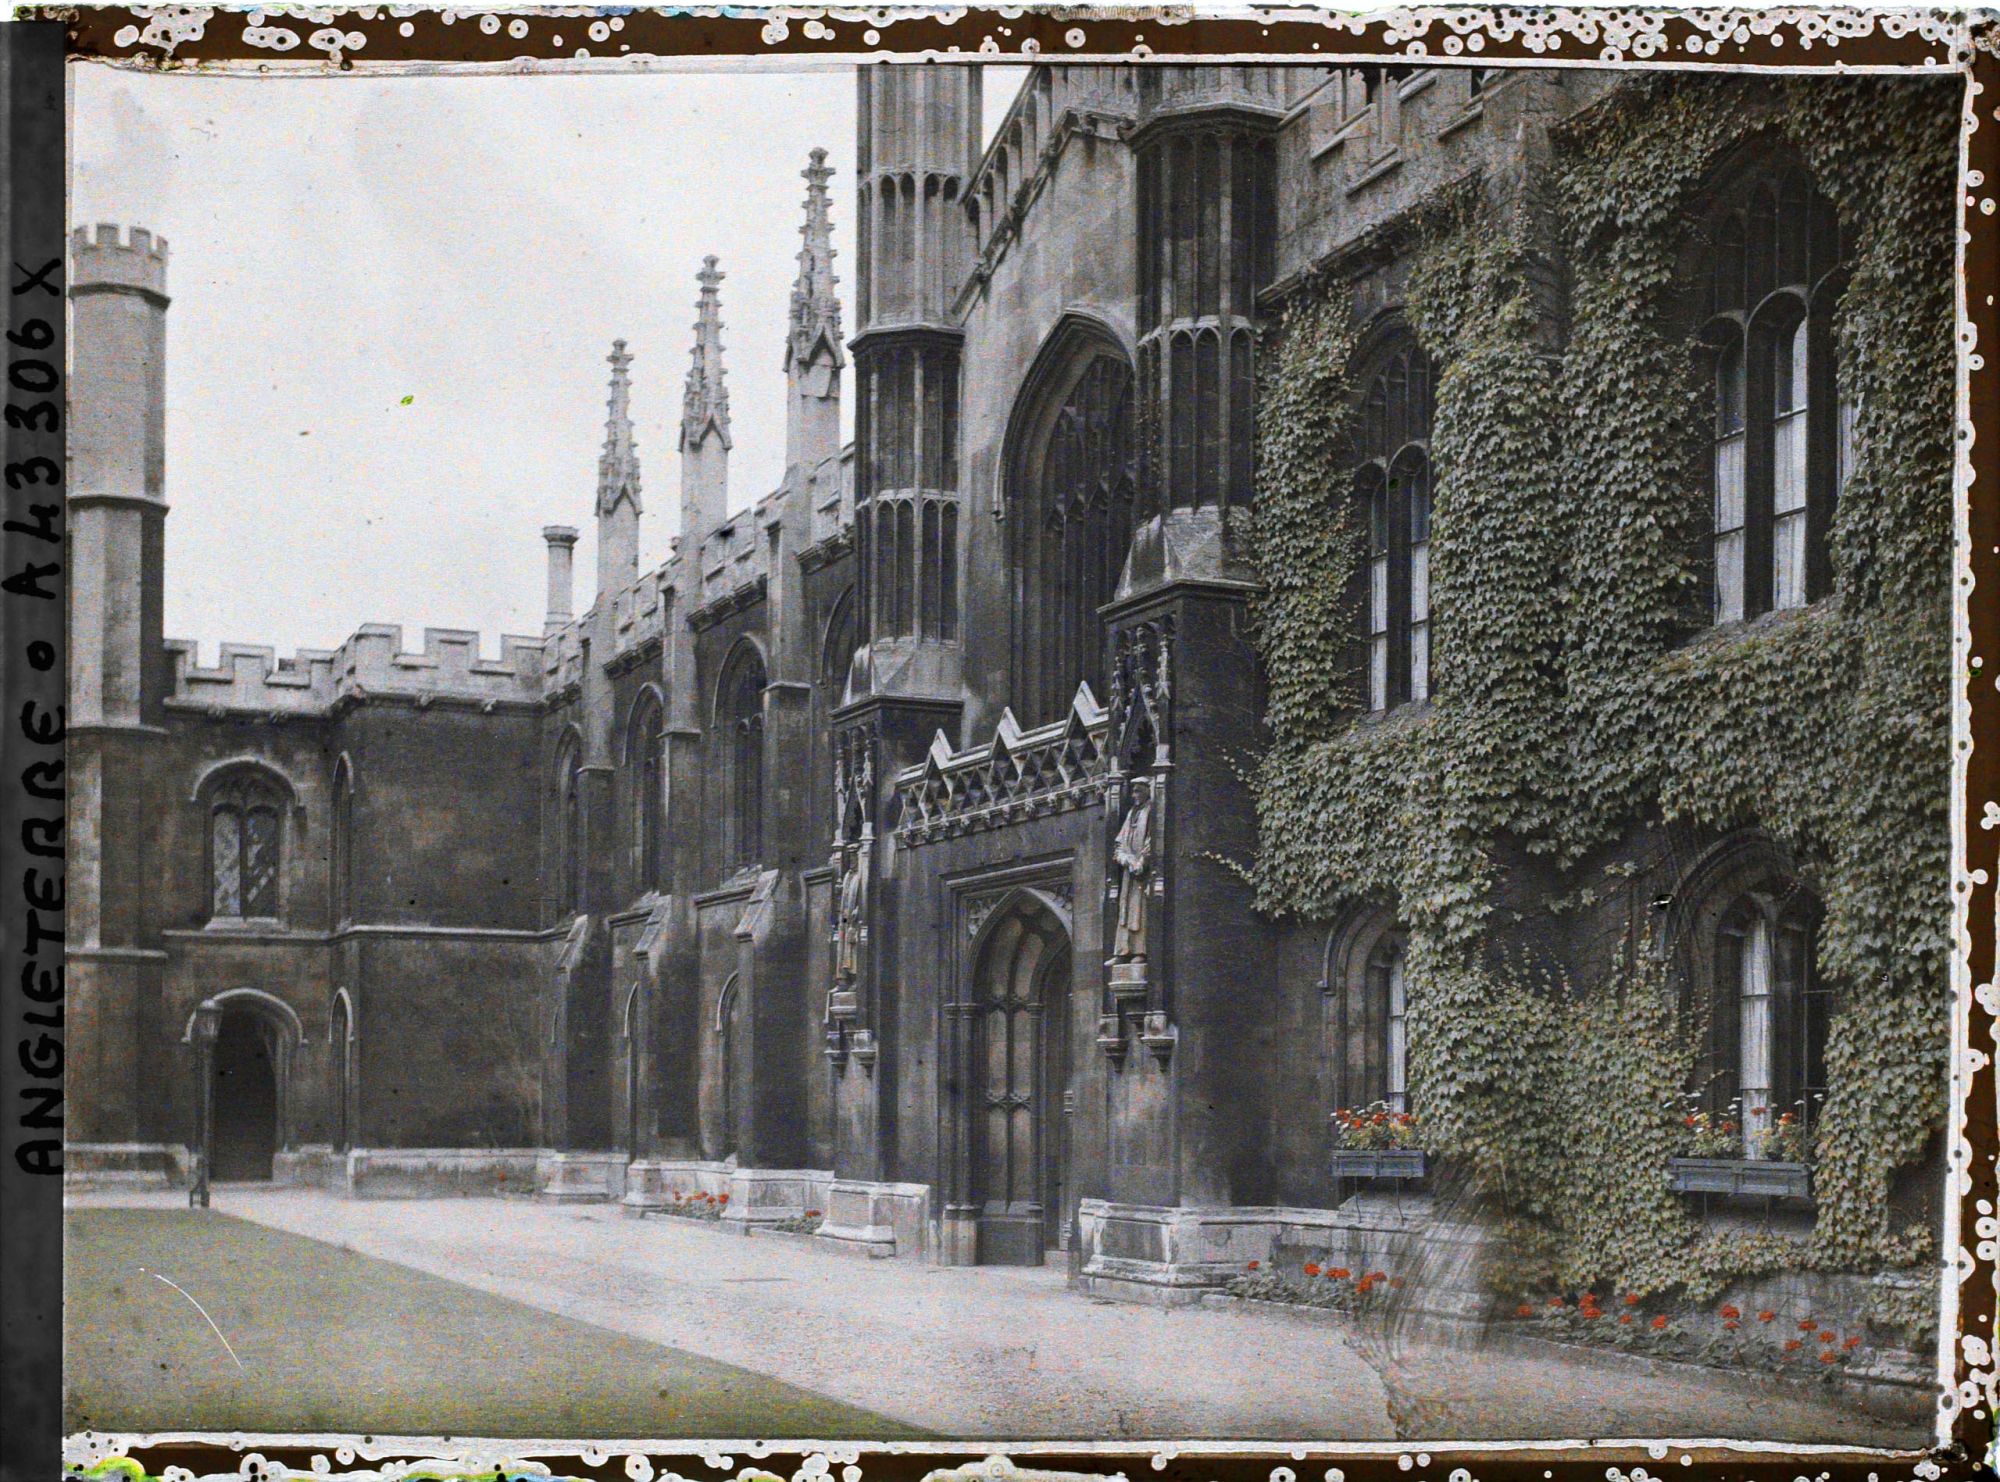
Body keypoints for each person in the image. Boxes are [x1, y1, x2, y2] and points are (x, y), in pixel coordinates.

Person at [1111, 778, 1153, 961]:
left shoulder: (1150, 812)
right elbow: (1119, 843)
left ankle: (1139, 951)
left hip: (1142, 872)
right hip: (1130, 869)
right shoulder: (1131, 814)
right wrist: (1126, 859)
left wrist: (1141, 862)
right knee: (1125, 910)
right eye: (1133, 792)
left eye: (1139, 791)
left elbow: (1152, 840)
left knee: (1139, 910)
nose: (1135, 795)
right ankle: (1122, 951)